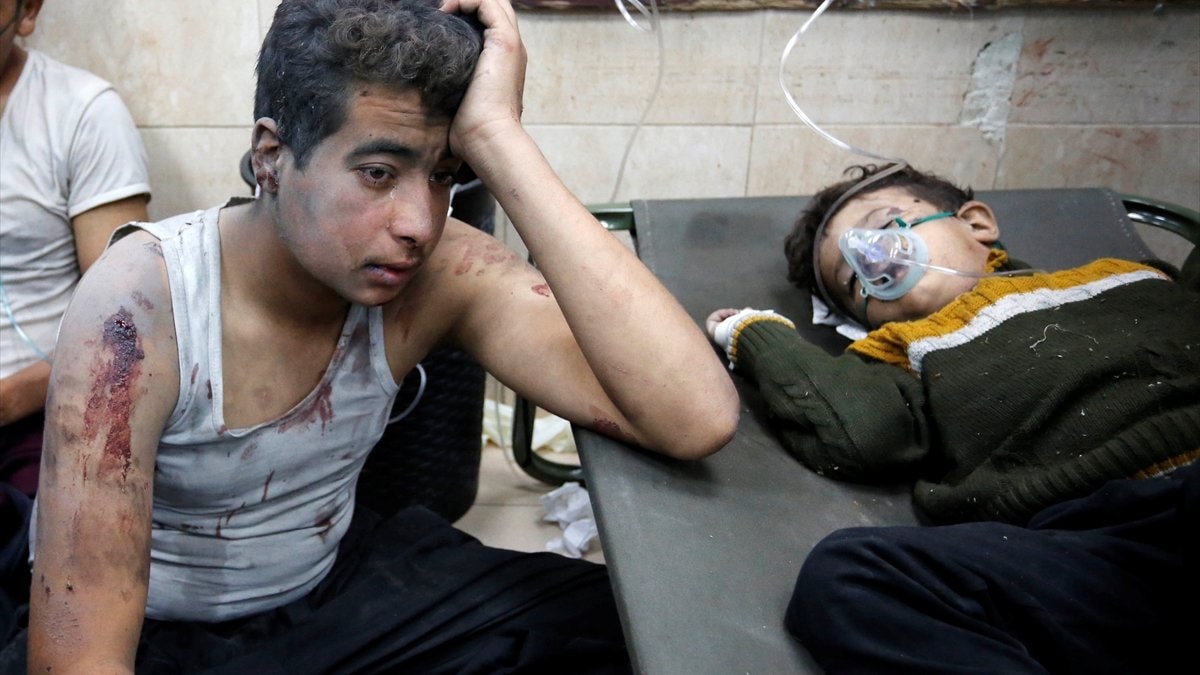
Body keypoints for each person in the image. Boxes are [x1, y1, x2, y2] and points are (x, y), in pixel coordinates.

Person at [3, 0, 739, 672]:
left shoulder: (441, 272)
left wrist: (498, 137)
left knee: (628, 632)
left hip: (331, 588)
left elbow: (693, 416)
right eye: (379, 173)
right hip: (162, 633)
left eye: (444, 175)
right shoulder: (140, 305)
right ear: (270, 157)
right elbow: (79, 660)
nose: (419, 223)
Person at [705, 162, 1199, 673]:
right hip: (1099, 554)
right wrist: (756, 335)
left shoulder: (1129, 276)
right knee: (850, 577)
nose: (873, 258)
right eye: (853, 281)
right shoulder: (900, 351)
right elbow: (856, 429)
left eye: (883, 224)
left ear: (977, 223)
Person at [0, 0, 150, 639]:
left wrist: (11, 398)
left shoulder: (81, 112)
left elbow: (126, 322)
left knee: (54, 566)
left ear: (27, 11)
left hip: (39, 411)